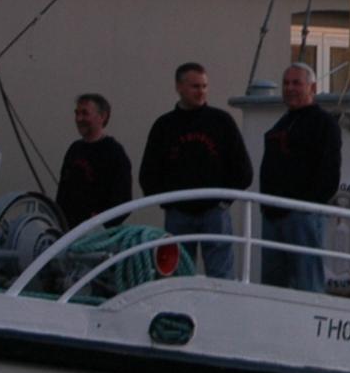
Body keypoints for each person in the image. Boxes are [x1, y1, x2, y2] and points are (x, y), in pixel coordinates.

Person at [139, 61, 252, 278]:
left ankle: (219, 312)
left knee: (220, 276)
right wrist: (168, 202)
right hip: (178, 214)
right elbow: (150, 171)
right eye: (195, 86)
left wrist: (223, 201)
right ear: (179, 87)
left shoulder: (221, 122)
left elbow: (243, 169)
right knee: (178, 274)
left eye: (204, 86)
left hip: (215, 213)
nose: (201, 92)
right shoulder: (164, 126)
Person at [257, 63, 343, 292]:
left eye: (297, 83)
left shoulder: (323, 124)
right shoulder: (284, 122)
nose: (290, 88)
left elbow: (329, 173)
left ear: (312, 87)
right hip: (273, 215)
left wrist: (307, 205)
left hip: (302, 216)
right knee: (273, 285)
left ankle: (306, 325)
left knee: (307, 282)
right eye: (286, 83)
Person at [55, 92, 133, 230]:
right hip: (68, 232)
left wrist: (101, 223)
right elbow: (62, 192)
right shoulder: (74, 149)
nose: (79, 118)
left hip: (98, 235)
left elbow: (124, 200)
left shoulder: (114, 152)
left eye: (85, 113)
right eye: (77, 113)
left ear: (102, 117)